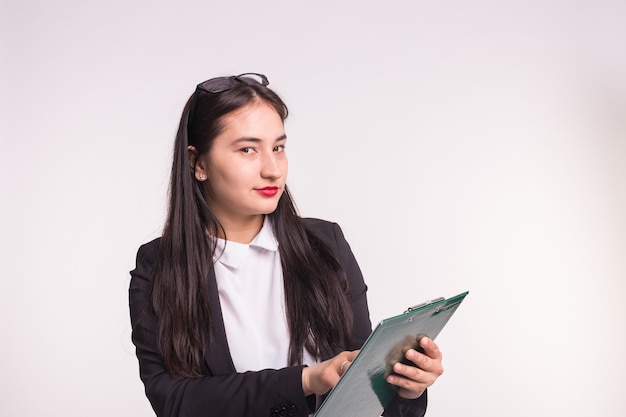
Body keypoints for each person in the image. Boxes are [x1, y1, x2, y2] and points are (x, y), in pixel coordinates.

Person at [129, 73, 444, 417]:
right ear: (197, 163)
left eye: (278, 147)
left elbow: (363, 393)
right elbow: (173, 400)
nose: (273, 170)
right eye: (248, 149)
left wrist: (407, 387)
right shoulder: (158, 265)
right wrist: (306, 380)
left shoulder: (326, 244)